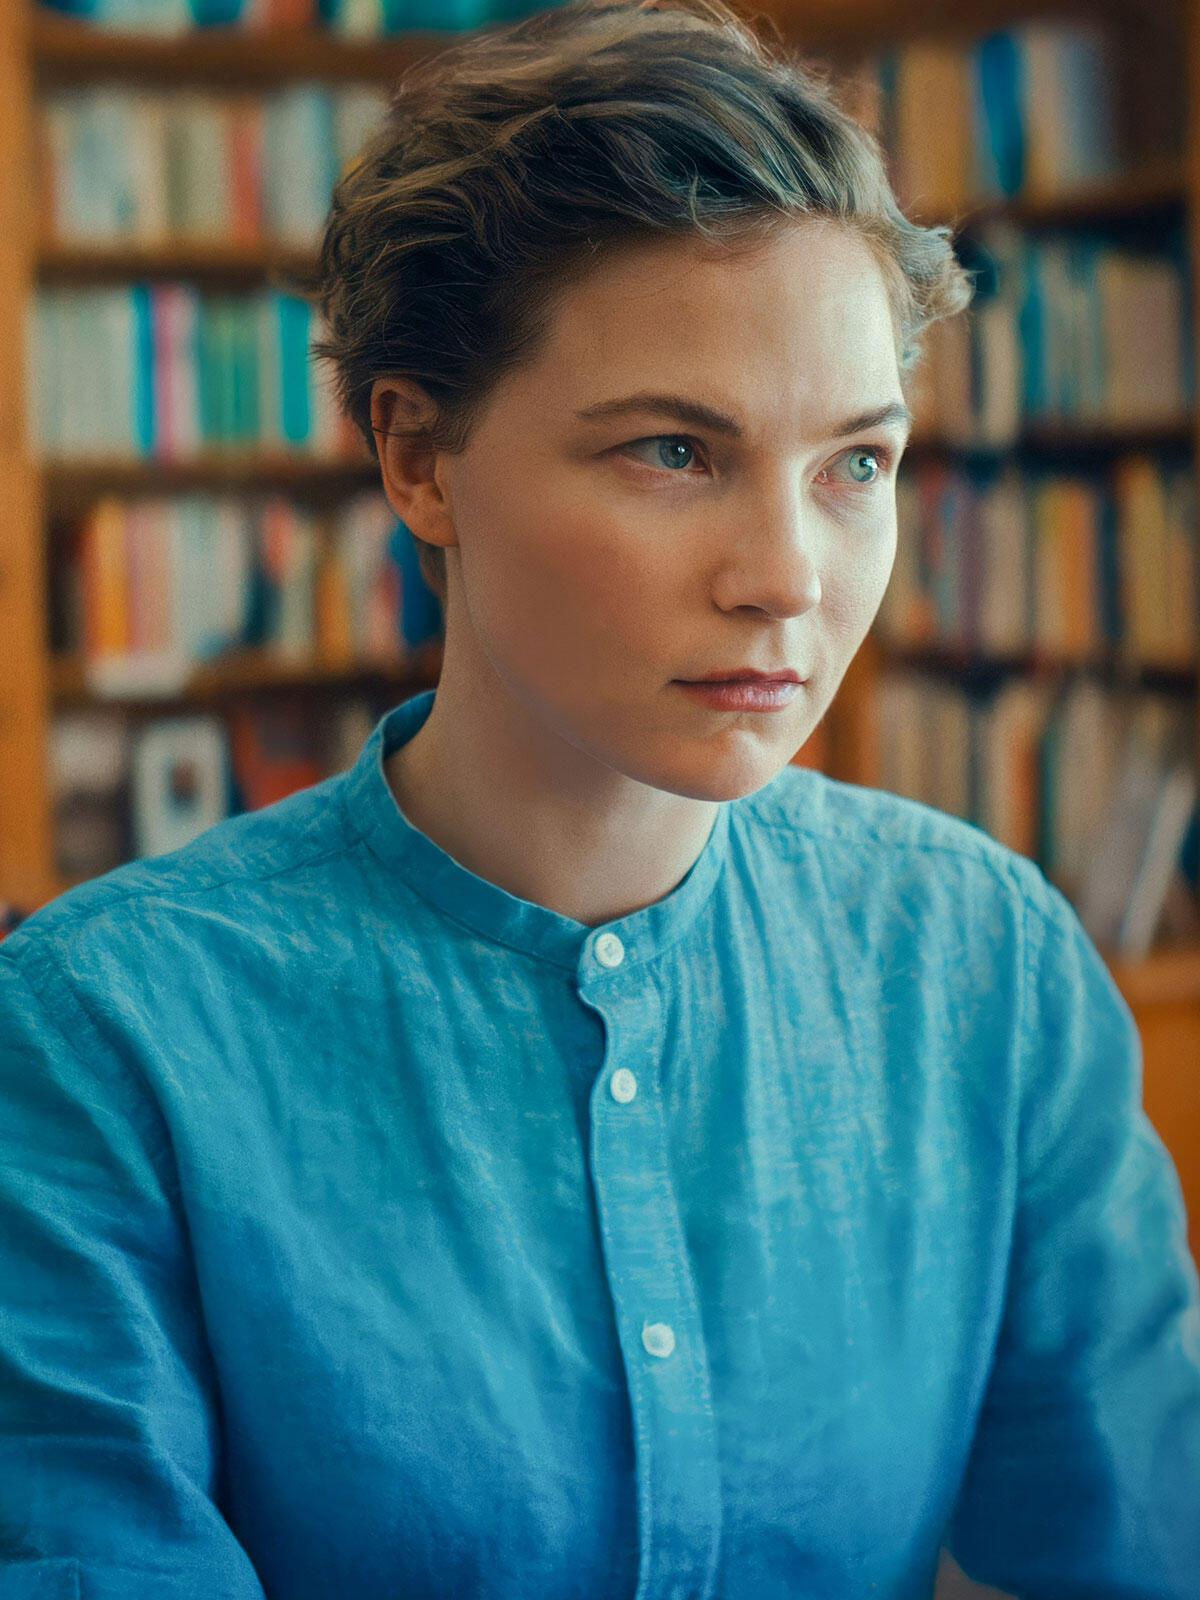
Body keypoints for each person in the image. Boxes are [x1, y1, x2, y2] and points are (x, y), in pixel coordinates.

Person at [2, 1, 1198, 1595]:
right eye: (671, 453)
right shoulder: (100, 1040)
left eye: (856, 464)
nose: (788, 578)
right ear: (418, 455)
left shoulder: (984, 963)